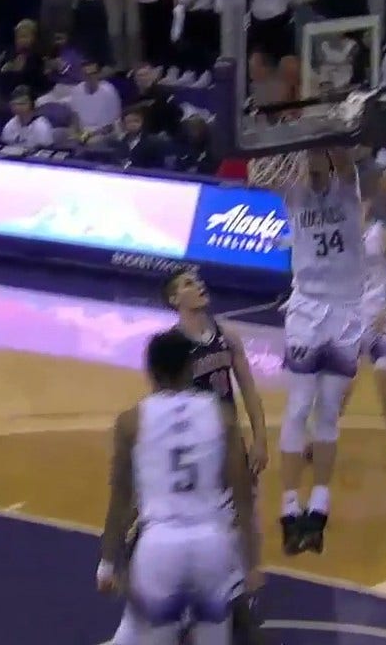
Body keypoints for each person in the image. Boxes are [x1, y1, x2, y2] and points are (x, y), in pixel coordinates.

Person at [96, 328, 261, 645]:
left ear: (150, 371)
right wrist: (251, 563)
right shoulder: (221, 414)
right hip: (212, 544)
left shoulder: (132, 420)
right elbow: (241, 494)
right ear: (191, 368)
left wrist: (107, 563)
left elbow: (120, 499)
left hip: (160, 544)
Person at [254, 147, 363, 556]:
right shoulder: (293, 194)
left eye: (320, 156)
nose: (313, 163)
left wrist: (327, 127)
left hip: (347, 311)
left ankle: (318, 509)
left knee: (330, 410)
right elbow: (260, 168)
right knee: (299, 407)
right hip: (306, 307)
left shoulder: (347, 190)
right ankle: (288, 510)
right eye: (307, 158)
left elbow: (346, 158)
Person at [161, 267, 269, 644]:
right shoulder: (171, 349)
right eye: (188, 284)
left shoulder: (227, 337)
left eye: (199, 280)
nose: (199, 285)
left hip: (232, 452)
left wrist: (260, 439)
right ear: (175, 299)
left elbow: (250, 393)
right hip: (197, 460)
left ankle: (233, 606)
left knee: (240, 529)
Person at [338, 197, 386, 474]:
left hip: (379, 320)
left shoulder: (382, 234)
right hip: (348, 320)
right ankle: (321, 438)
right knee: (341, 388)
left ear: (367, 205)